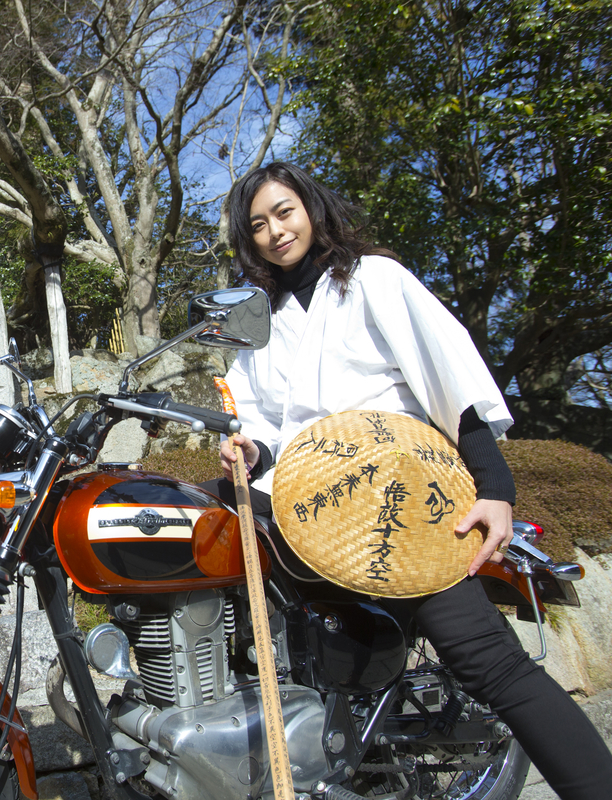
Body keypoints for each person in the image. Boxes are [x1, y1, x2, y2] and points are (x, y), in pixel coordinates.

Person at [211, 162, 612, 800]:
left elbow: (451, 384)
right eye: (257, 225)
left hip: (396, 487)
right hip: (305, 495)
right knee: (197, 523)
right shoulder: (261, 320)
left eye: (283, 212)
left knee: (486, 661)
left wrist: (496, 491)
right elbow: (264, 425)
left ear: (311, 209)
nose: (273, 232)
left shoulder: (375, 278)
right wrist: (248, 450)